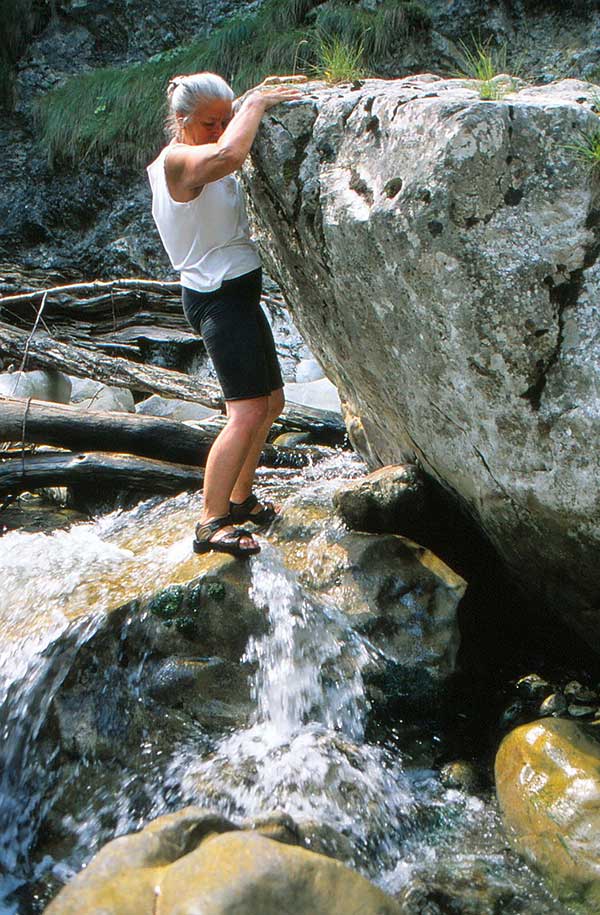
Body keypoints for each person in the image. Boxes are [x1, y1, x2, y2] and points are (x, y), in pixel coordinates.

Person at [146, 71, 305, 558]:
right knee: (245, 412)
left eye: (226, 120)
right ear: (181, 121)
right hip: (215, 296)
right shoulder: (176, 161)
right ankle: (210, 523)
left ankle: (240, 499)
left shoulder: (203, 143)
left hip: (237, 293)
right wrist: (254, 103)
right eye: (210, 122)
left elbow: (229, 147)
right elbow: (229, 155)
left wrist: (249, 107)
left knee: (271, 401)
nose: (220, 129)